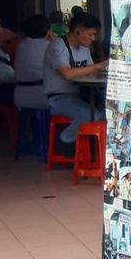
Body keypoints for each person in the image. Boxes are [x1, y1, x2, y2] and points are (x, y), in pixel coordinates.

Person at [44, 13, 109, 155]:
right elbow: (67, 73)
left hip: (78, 95)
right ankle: (64, 140)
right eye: (91, 34)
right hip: (57, 98)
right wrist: (98, 66)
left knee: (107, 113)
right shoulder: (57, 47)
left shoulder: (84, 49)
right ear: (78, 31)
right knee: (92, 116)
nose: (93, 39)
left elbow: (91, 72)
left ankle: (94, 152)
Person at [13, 14, 52, 110]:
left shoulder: (21, 46)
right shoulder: (50, 46)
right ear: (47, 32)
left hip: (20, 96)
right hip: (42, 97)